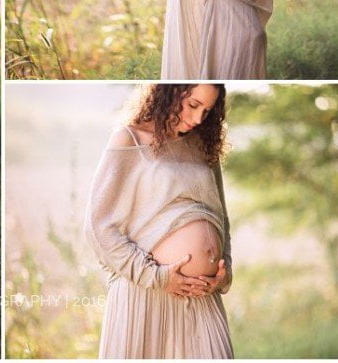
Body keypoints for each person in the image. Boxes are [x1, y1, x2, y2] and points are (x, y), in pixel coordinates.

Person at [85, 83, 233, 359]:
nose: (199, 118)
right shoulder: (129, 139)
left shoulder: (203, 145)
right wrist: (156, 277)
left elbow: (221, 218)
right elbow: (98, 226)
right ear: (171, 92)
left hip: (203, 294)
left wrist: (225, 275)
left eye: (208, 110)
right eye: (193, 105)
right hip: (147, 292)